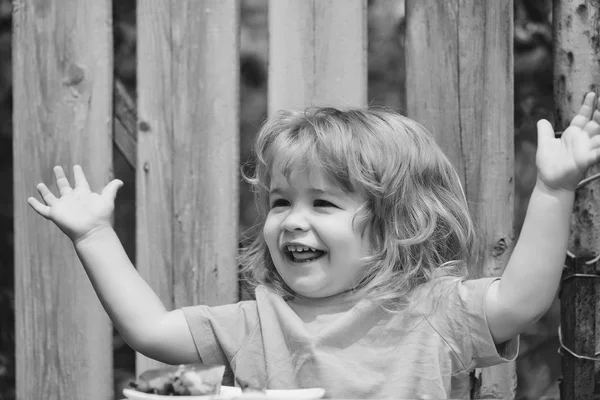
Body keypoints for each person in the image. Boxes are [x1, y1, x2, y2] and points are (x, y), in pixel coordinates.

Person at [28, 93, 600, 399]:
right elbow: (151, 332)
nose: (292, 222)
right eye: (280, 202)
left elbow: (524, 299)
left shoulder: (437, 312)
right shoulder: (259, 320)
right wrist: (94, 236)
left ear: (398, 223)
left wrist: (553, 189)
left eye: (323, 204)